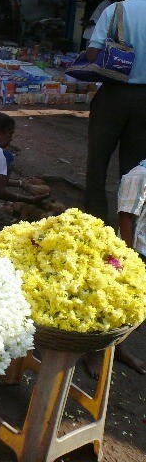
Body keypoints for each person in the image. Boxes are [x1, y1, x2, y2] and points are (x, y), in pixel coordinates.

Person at [84, 0, 146, 224]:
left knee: (98, 162)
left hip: (114, 95)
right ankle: (129, 226)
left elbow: (93, 54)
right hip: (144, 101)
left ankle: (96, 221)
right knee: (134, 168)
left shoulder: (115, 10)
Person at [113, 160, 146, 375]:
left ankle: (118, 347)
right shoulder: (139, 175)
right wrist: (129, 259)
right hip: (136, 251)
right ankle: (94, 352)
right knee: (119, 304)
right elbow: (126, 216)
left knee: (137, 307)